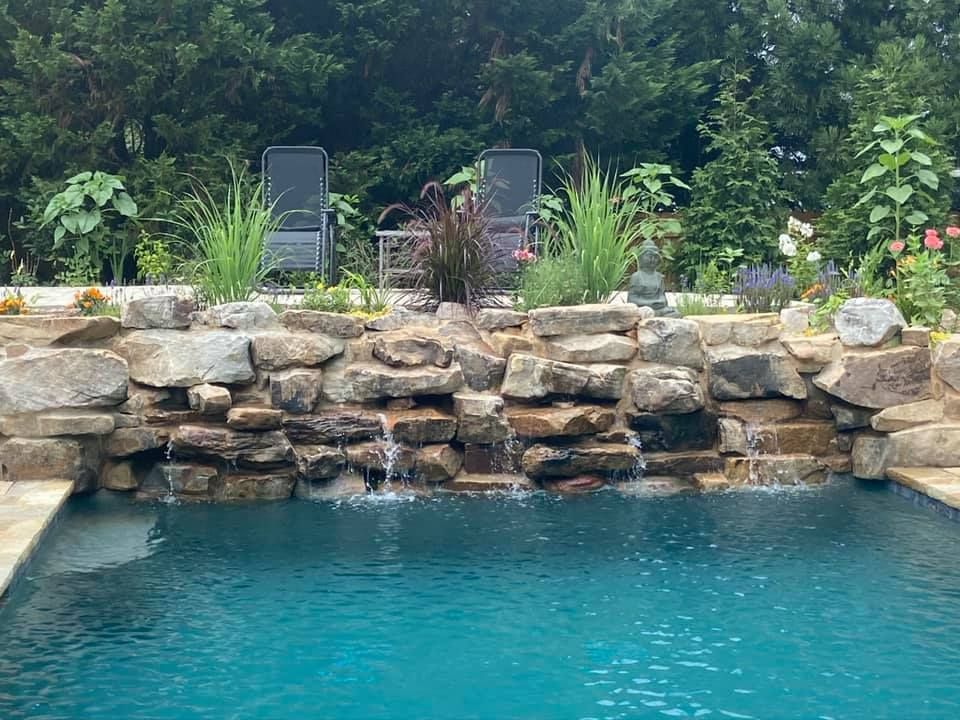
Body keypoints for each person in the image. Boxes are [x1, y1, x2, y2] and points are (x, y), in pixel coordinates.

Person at [626, 239, 680, 317]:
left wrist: (660, 302)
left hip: (658, 308)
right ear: (641, 257)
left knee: (676, 313)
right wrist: (649, 303)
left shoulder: (658, 276)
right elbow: (631, 299)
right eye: (649, 256)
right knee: (643, 312)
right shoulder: (636, 276)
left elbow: (662, 296)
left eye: (655, 257)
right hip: (643, 309)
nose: (652, 260)